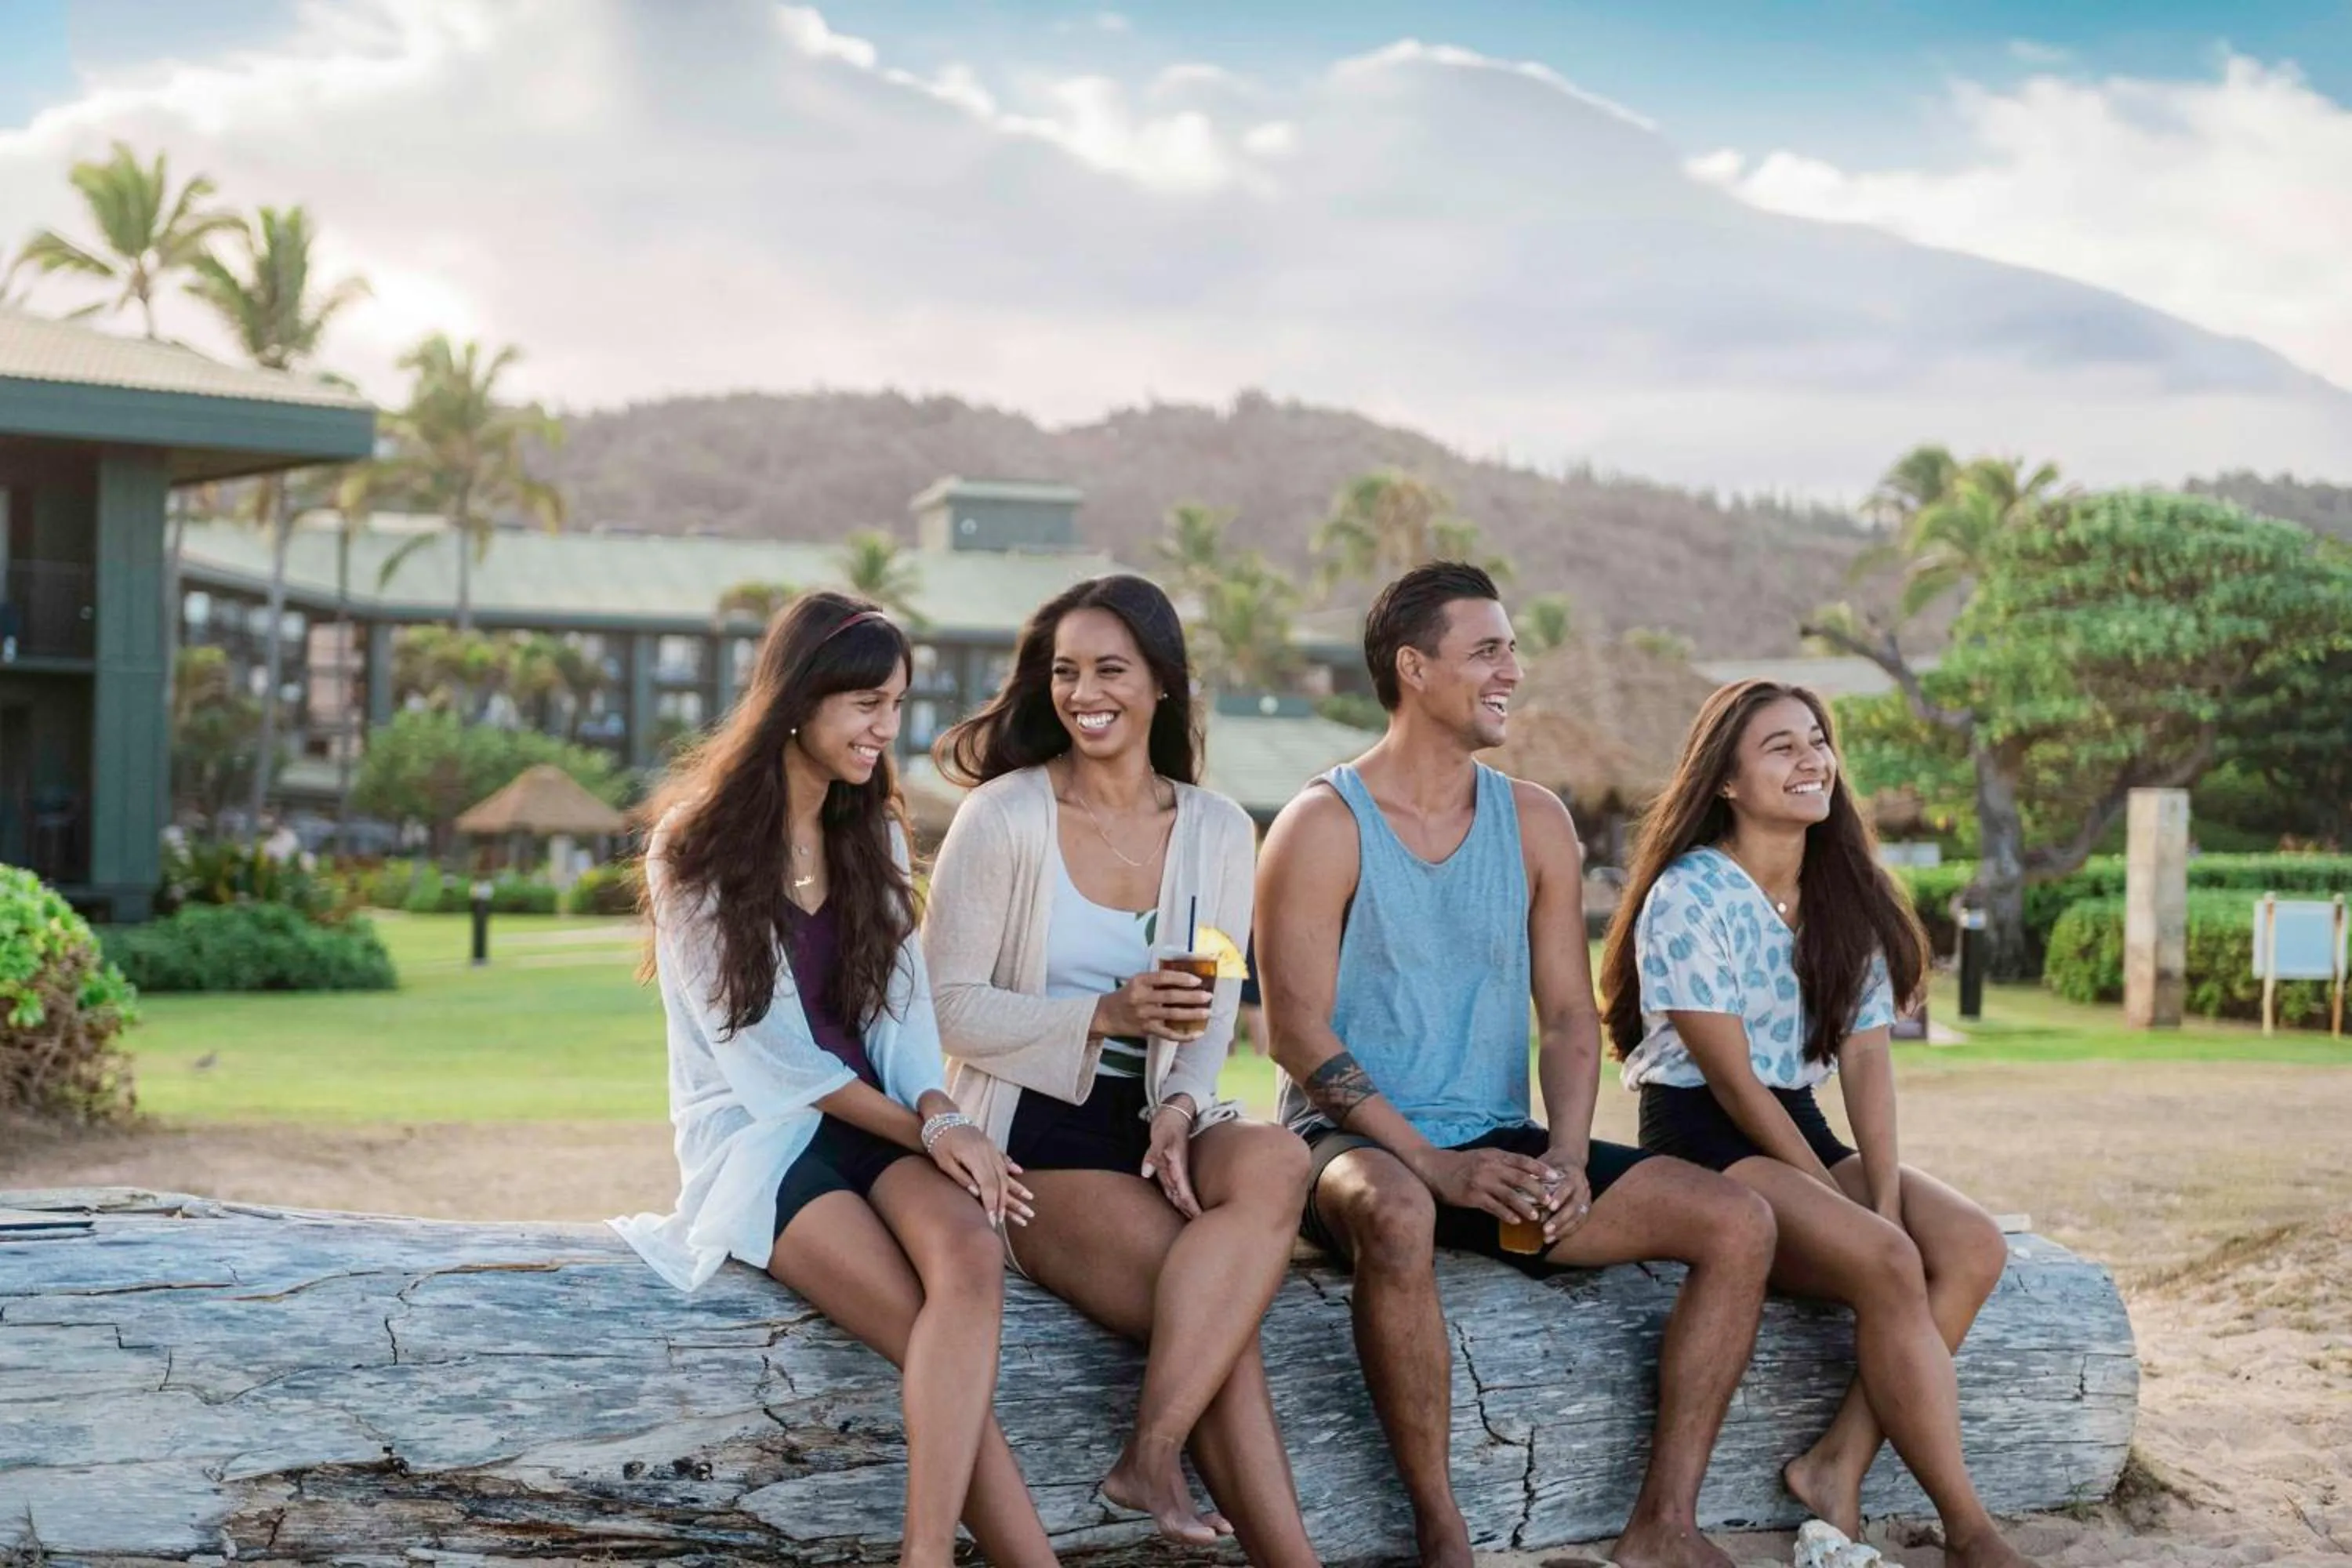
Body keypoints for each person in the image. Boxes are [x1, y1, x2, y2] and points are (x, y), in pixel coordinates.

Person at [1256, 563, 1779, 1568]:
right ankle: (1443, 1531)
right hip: (1352, 1140)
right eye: (1487, 649)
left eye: (1512, 648)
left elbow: (1569, 1020)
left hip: (1496, 1142)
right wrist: (1432, 1162)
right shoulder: (1321, 825)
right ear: (1413, 668)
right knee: (1398, 1212)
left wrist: (1572, 1156)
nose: (1513, 669)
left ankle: (1663, 1525)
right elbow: (1299, 1037)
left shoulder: (1536, 821)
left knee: (1737, 1220)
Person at [611, 592, 1056, 1568]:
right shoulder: (693, 848)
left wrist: (939, 1107)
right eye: (863, 703)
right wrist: (935, 1134)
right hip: (765, 1139)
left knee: (972, 1260)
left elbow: (903, 1018)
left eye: (894, 703)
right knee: (925, 1335)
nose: (882, 729)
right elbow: (769, 1060)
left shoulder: (875, 834)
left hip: (878, 1119)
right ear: (799, 699)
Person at [924, 575, 1320, 1566]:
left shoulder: (1222, 829)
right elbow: (946, 1006)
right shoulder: (1003, 816)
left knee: (1276, 1160)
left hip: (1156, 1122)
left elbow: (1212, 1003)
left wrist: (1183, 1105)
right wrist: (1104, 1011)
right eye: (1065, 671)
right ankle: (1225, 1510)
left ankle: (1151, 1451)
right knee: (1211, 1323)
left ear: (1160, 686)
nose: (1083, 691)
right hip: (1032, 1138)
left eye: (1110, 669)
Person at [1600, 681, 2032, 1568]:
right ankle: (1971, 1531)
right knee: (1886, 1256)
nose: (1812, 760)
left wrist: (1877, 1192)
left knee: (1971, 1244)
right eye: (1780, 747)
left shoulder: (1845, 891)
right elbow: (1731, 1081)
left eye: (1817, 741)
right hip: (1707, 1134)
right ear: (1724, 779)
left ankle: (1838, 1460)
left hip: (1795, 1120)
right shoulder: (1690, 894)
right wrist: (1861, 1219)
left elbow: (1868, 1061)